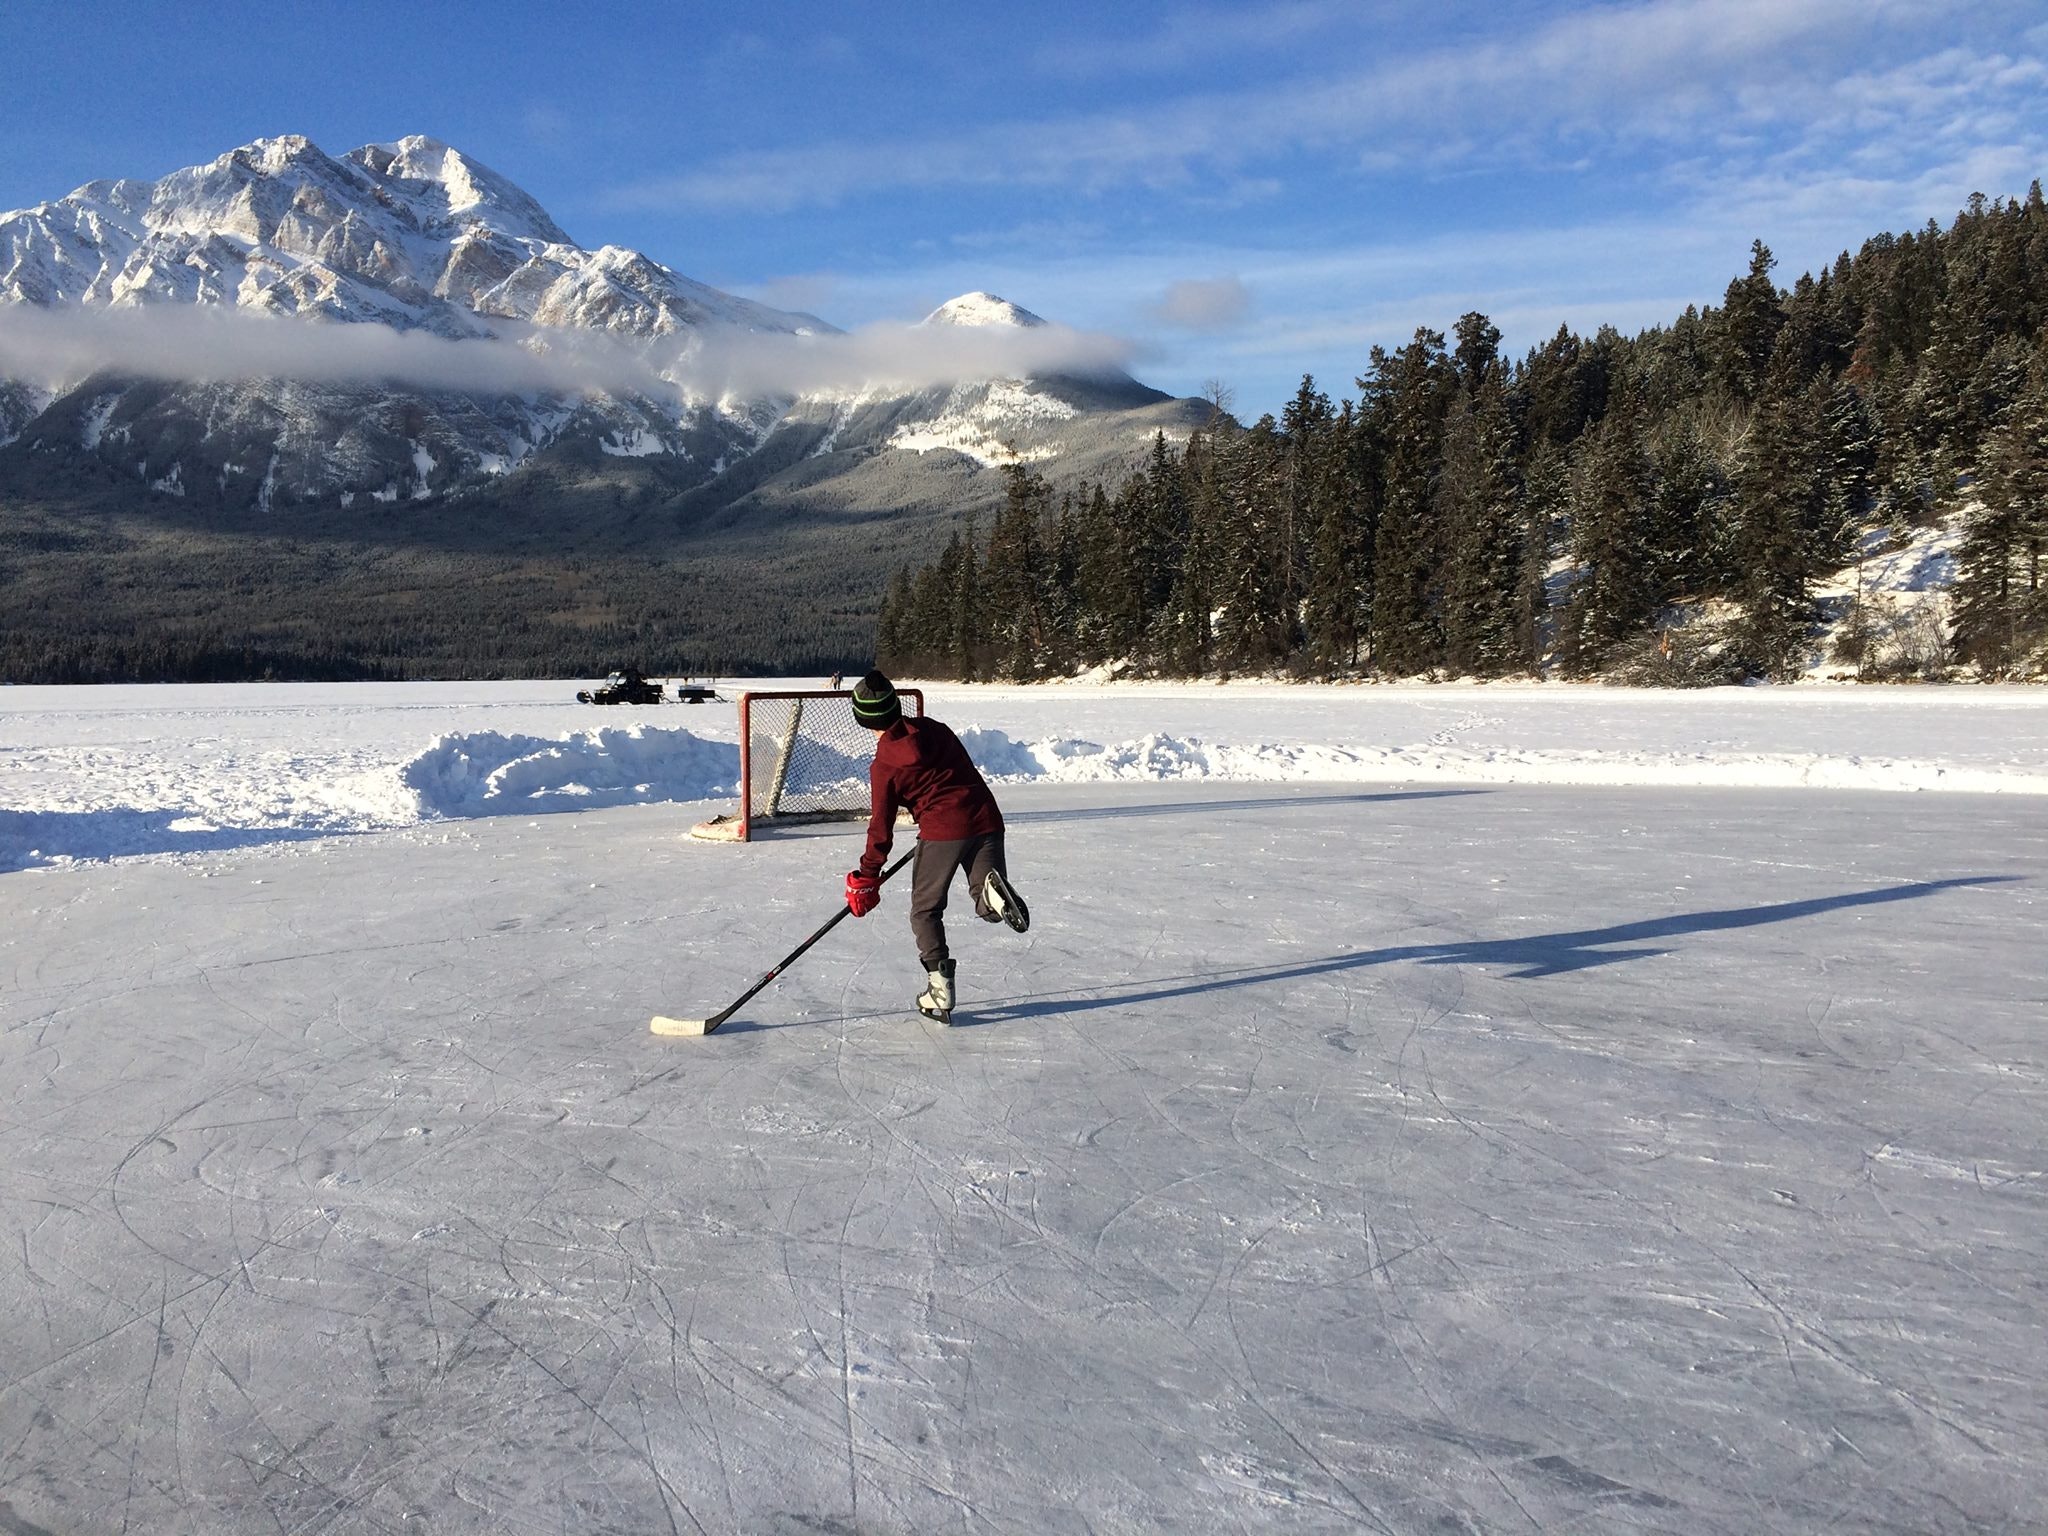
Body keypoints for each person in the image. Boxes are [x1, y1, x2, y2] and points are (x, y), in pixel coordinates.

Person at [842, 670, 1028, 1023]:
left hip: (942, 831)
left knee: (925, 911)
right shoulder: (936, 729)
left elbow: (880, 830)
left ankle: (940, 990)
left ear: (863, 719)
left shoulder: (884, 766)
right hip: (986, 818)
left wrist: (866, 875)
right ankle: (990, 895)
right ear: (896, 705)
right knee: (987, 905)